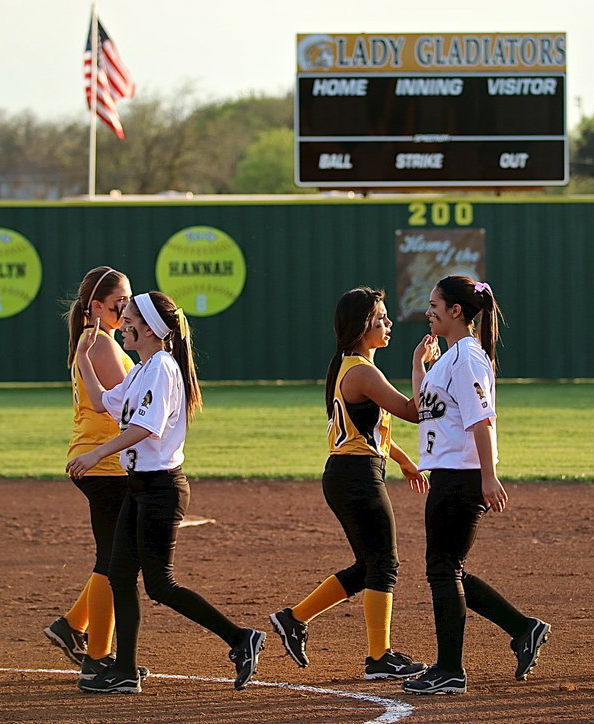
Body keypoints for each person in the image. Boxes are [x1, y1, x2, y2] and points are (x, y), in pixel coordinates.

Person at [66, 291, 266, 694]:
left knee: (160, 585)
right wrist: (83, 356)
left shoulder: (161, 368)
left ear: (152, 329)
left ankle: (241, 637)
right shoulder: (144, 369)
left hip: (161, 490)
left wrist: (96, 454)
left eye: (131, 317)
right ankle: (124, 670)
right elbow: (105, 402)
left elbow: (145, 427)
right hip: (141, 487)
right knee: (121, 576)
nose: (123, 323)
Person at [270, 287, 433, 681]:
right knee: (384, 565)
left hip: (351, 473)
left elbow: (369, 430)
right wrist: (419, 365)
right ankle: (379, 658)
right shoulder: (361, 370)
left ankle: (293, 619)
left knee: (370, 564)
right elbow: (415, 411)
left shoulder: (350, 365)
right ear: (362, 326)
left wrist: (405, 461)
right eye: (381, 319)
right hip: (356, 477)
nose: (388, 324)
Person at [400, 276, 551, 696]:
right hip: (447, 474)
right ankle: (524, 629)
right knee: (449, 568)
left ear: (456, 311)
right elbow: (423, 412)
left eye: (434, 304)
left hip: (462, 477)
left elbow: (481, 421)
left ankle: (450, 669)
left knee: (443, 569)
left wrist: (488, 476)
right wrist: (418, 368)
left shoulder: (467, 357)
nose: (428, 311)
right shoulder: (450, 358)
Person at [43, 266, 135, 681]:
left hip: (101, 460)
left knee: (115, 557)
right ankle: (97, 656)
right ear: (95, 307)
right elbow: (120, 404)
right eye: (119, 302)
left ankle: (73, 626)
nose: (126, 307)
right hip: (104, 463)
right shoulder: (99, 343)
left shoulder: (97, 341)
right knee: (113, 562)